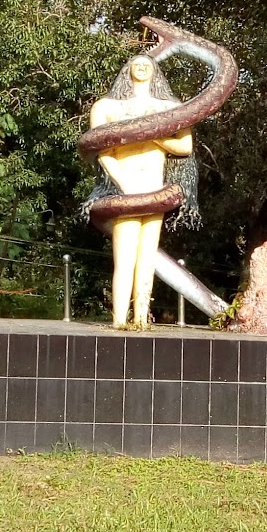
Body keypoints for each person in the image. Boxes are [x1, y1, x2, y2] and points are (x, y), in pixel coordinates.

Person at [88, 53, 196, 328]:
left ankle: (141, 318)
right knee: (124, 258)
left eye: (147, 64)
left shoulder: (170, 107)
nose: (141, 67)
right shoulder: (108, 107)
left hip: (154, 189)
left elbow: (184, 147)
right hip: (127, 190)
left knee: (146, 257)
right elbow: (101, 149)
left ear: (156, 72)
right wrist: (123, 182)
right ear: (126, 70)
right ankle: (119, 320)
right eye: (135, 63)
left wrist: (153, 135)